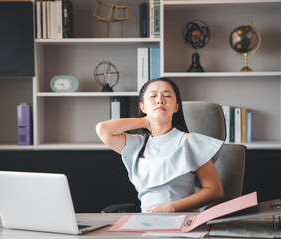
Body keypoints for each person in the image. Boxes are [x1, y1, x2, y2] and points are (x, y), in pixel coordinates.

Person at [96, 78, 224, 213]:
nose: (160, 100)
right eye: (152, 96)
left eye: (167, 96)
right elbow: (103, 129)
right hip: (146, 224)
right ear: (142, 106)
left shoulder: (189, 142)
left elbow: (215, 190)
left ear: (176, 107)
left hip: (181, 221)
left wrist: (171, 207)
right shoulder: (137, 145)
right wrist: (145, 121)